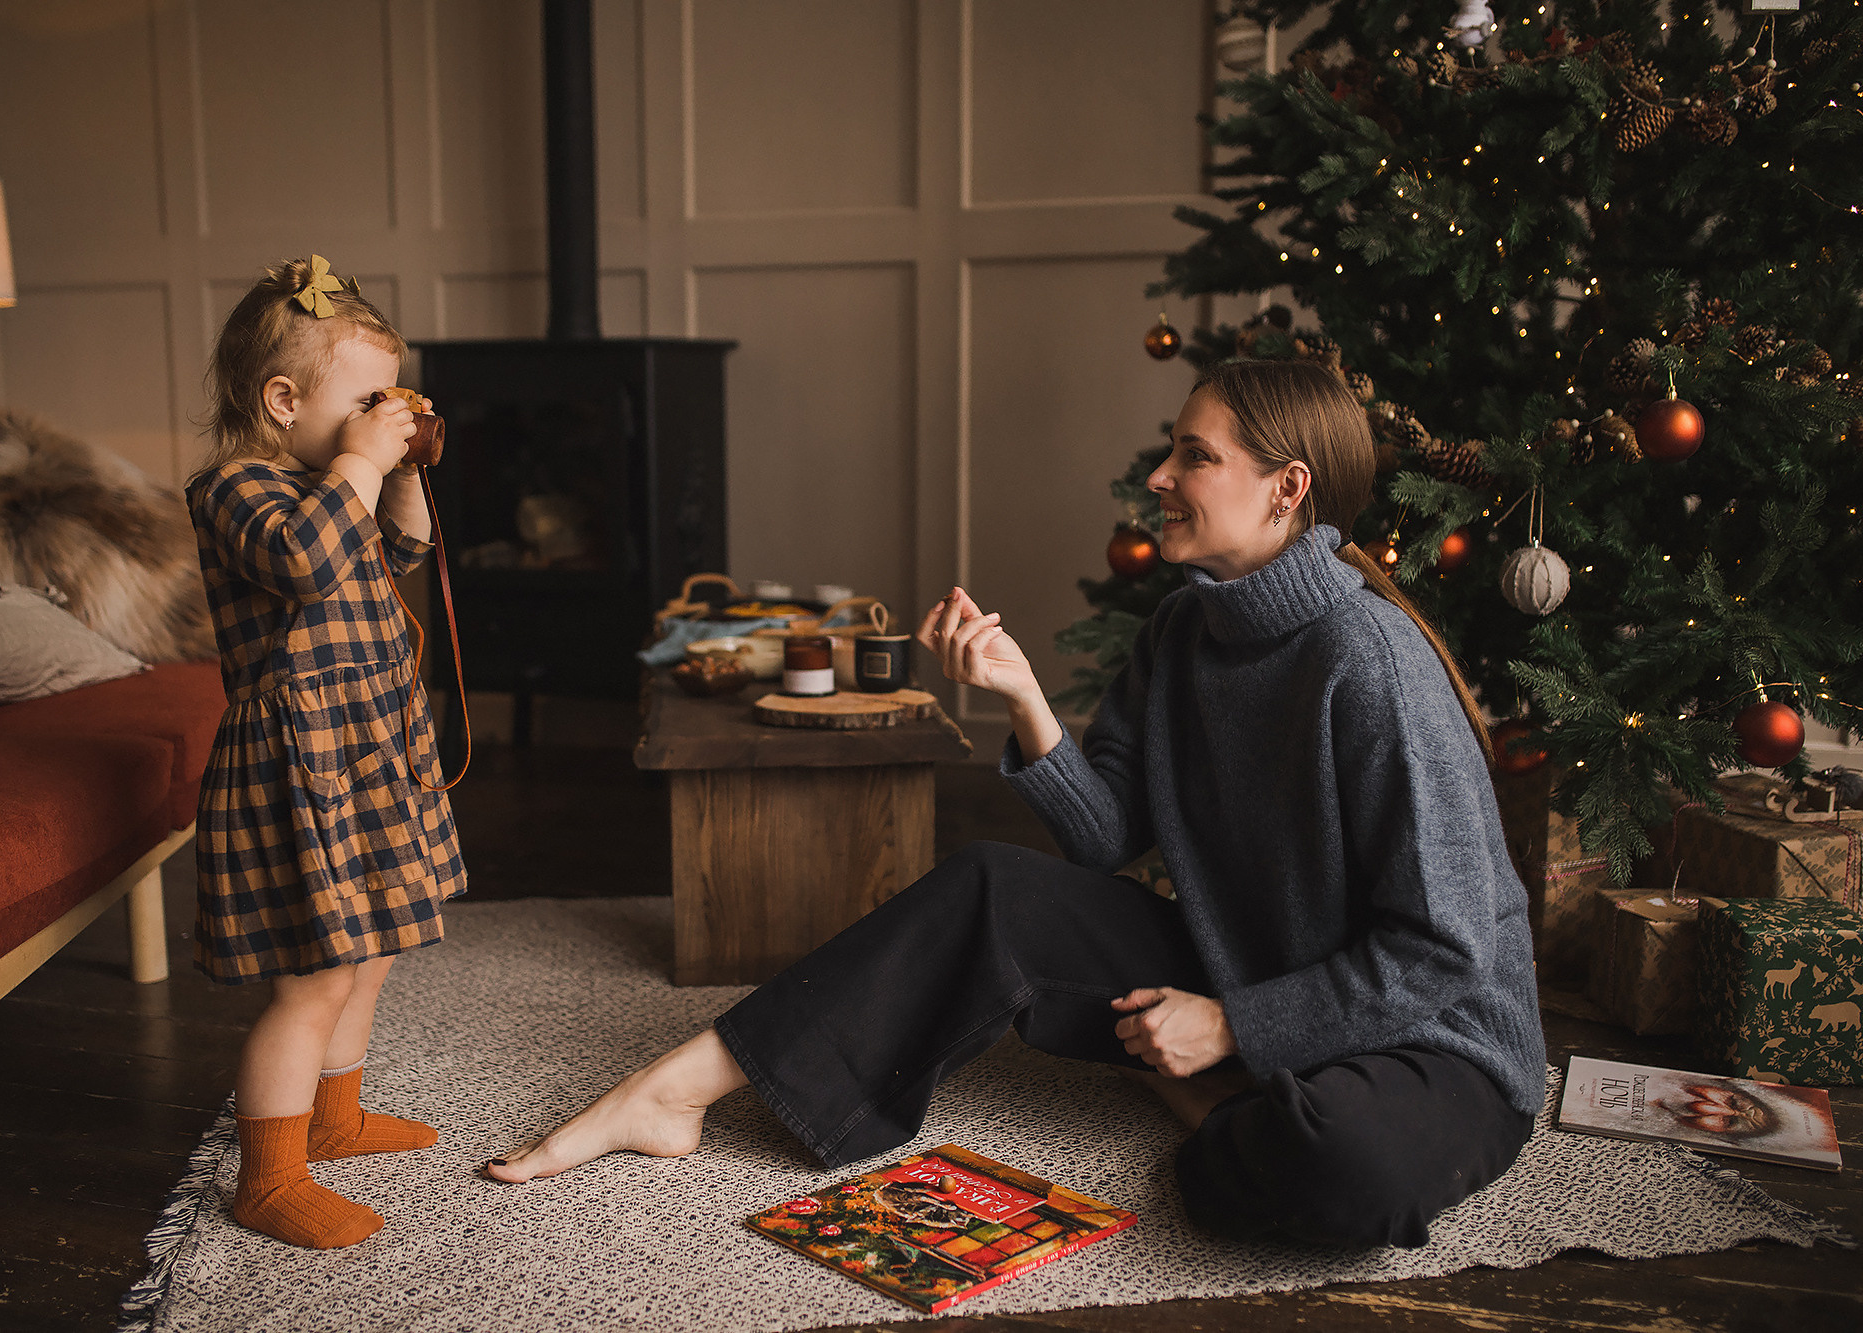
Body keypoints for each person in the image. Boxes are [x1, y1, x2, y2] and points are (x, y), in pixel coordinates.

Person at [486, 359, 1544, 1250]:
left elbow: (1443, 949)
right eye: (1170, 450)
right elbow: (1105, 838)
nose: (1159, 476)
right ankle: (676, 1088)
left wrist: (1231, 1024)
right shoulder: (1184, 631)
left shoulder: (1368, 660)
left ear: (1286, 487)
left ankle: (1213, 1086)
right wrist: (1023, 694)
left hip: (1428, 1038)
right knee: (990, 885)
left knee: (1342, 1168)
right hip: (1254, 967)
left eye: (1193, 456)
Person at [187, 256, 465, 1249]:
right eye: (364, 402)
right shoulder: (235, 489)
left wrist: (400, 468)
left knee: (369, 951)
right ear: (282, 400)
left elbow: (401, 555)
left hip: (367, 746)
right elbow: (303, 561)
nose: (380, 417)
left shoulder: (332, 485)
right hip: (297, 764)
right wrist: (359, 463)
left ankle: (334, 1118)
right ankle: (268, 1177)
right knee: (312, 978)